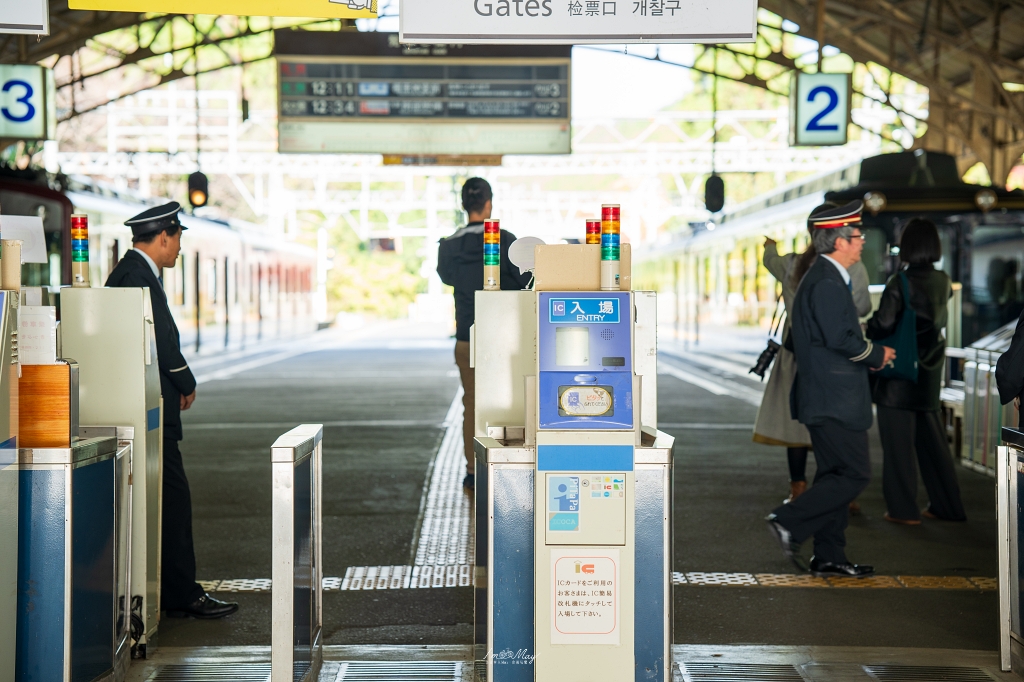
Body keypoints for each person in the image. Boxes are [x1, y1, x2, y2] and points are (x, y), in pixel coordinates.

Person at [106, 202, 239, 619]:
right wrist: (186, 381)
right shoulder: (135, 277)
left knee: (166, 502)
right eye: (178, 238)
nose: (180, 247)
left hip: (146, 408)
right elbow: (161, 341)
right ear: (164, 235)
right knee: (174, 502)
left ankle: (171, 588)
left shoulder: (136, 272)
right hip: (147, 411)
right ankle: (183, 593)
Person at [764, 200, 895, 578]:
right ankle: (788, 520)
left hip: (828, 395)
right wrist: (876, 354)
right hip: (833, 398)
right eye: (856, 237)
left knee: (834, 473)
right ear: (838, 242)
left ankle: (829, 554)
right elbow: (841, 337)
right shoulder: (825, 280)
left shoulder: (825, 276)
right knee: (854, 474)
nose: (861, 243)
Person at [755, 205, 873, 504]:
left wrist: (770, 245)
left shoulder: (792, 264)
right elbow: (862, 308)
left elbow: (769, 260)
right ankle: (840, 491)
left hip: (796, 356)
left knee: (795, 426)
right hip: (837, 358)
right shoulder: (851, 267)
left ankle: (798, 488)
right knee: (833, 428)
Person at [866, 218, 966, 525]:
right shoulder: (943, 280)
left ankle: (903, 510)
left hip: (898, 374)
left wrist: (864, 327)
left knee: (899, 448)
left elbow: (883, 323)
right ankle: (947, 506)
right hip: (928, 373)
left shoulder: (901, 282)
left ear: (906, 247)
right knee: (934, 446)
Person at [437, 179, 532, 491]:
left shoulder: (449, 246)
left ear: (464, 205)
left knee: (473, 404)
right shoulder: (506, 241)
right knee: (512, 402)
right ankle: (510, 465)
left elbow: (448, 276)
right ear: (489, 203)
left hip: (466, 337)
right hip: (505, 338)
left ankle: (473, 469)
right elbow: (525, 282)